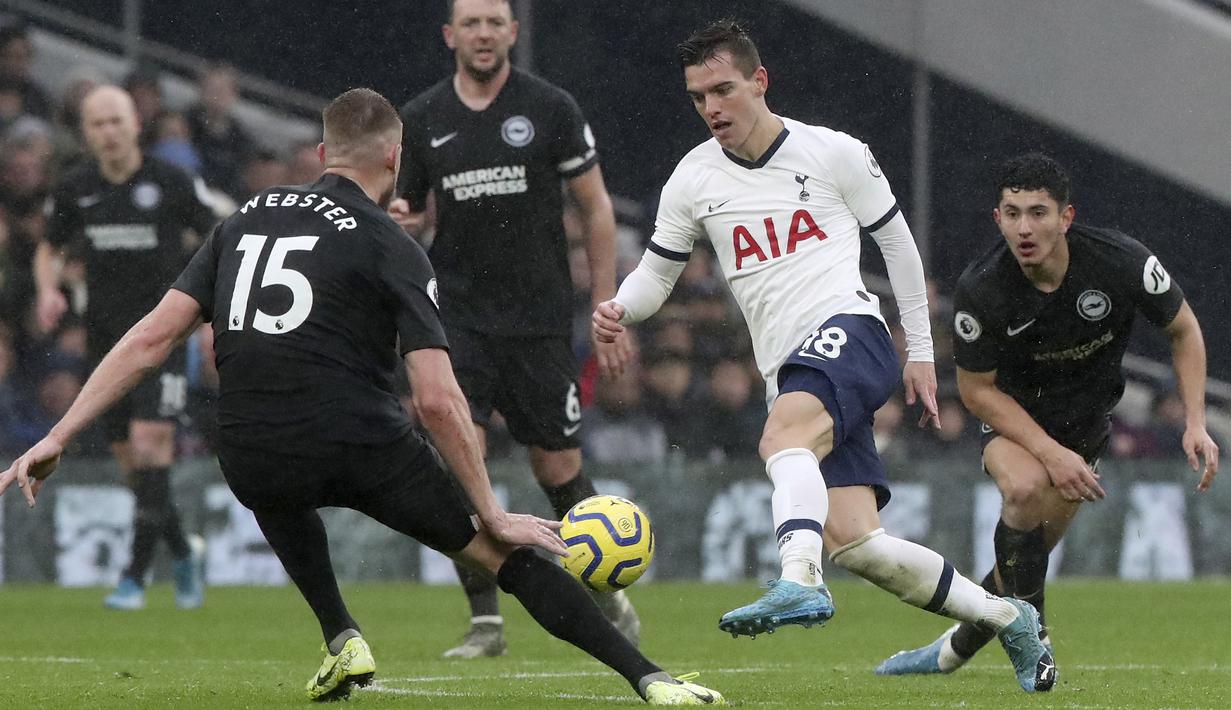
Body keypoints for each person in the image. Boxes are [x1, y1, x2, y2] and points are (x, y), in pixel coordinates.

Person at [0, 88, 723, 706]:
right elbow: (437, 398)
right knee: (503, 559)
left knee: (273, 483)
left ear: (321, 156)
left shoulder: (243, 220)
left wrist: (58, 433)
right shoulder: (390, 242)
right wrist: (490, 510)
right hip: (356, 441)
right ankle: (649, 679)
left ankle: (341, 635)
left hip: (249, 444)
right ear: (394, 159)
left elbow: (149, 338)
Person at [591, 21, 1055, 693]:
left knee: (781, 436)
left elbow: (897, 248)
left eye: (723, 89)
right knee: (860, 546)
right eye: (697, 97)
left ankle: (796, 578)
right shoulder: (693, 177)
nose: (712, 108)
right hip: (793, 367)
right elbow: (656, 277)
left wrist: (921, 353)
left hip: (851, 333)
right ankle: (1006, 618)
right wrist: (618, 309)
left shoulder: (832, 153)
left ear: (759, 81)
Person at [875, 152, 1219, 677]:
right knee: (1024, 490)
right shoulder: (983, 287)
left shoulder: (1120, 261)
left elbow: (1184, 330)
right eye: (1012, 213)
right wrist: (1050, 452)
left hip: (1086, 429)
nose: (1024, 227)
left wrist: (1195, 421)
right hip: (1012, 420)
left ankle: (947, 655)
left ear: (1067, 217)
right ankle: (1034, 639)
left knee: (1022, 559)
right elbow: (977, 391)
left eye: (1038, 212)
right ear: (997, 218)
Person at [387, 0, 638, 658]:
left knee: (556, 467)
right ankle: (485, 623)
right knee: (458, 463)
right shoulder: (421, 118)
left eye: (494, 21)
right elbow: (403, 212)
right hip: (457, 318)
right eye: (470, 22)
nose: (482, 33)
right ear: (450, 35)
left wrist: (605, 305)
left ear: (512, 33)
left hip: (538, 319)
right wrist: (403, 223)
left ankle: (606, 586)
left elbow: (596, 207)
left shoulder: (550, 107)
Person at [35, 85, 215, 610]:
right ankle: (183, 551)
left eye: (116, 121)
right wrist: (49, 289)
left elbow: (216, 238)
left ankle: (133, 578)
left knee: (150, 442)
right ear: (85, 133)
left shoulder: (170, 183)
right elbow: (50, 245)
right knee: (133, 464)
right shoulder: (76, 189)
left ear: (136, 123)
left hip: (164, 339)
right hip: (105, 345)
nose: (108, 132)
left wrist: (207, 312)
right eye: (97, 124)